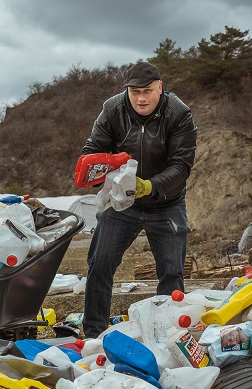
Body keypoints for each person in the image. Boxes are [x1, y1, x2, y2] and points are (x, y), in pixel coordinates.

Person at [79, 61, 197, 338]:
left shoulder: (179, 114)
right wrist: (95, 170)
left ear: (160, 88)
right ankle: (94, 334)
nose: (141, 98)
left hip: (166, 203)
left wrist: (149, 186)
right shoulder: (113, 109)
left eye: (147, 91)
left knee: (172, 273)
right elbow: (92, 148)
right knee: (100, 265)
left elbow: (182, 166)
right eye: (135, 92)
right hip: (120, 203)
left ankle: (168, 335)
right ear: (126, 91)